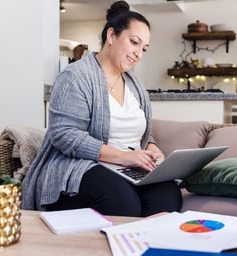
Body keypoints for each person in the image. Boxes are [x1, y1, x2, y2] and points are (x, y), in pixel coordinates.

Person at [21, 1, 183, 217]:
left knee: (168, 193)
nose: (139, 54)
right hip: (82, 167)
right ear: (111, 36)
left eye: (144, 48)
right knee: (122, 200)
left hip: (127, 169)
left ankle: (145, 245)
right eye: (134, 42)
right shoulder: (75, 77)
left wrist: (153, 150)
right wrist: (124, 157)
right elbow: (64, 135)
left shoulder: (135, 86)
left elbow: (143, 134)